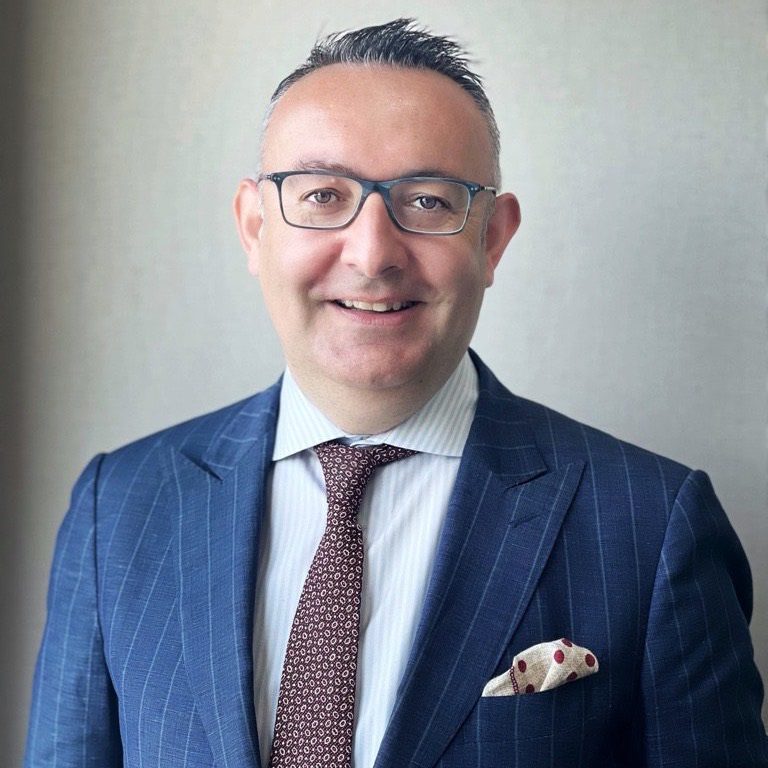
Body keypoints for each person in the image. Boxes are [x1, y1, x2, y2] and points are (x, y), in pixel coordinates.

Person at [25, 18, 767, 768]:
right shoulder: (119, 508)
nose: (373, 253)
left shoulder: (652, 524)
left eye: (429, 202)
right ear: (254, 227)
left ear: (492, 239)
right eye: (323, 195)